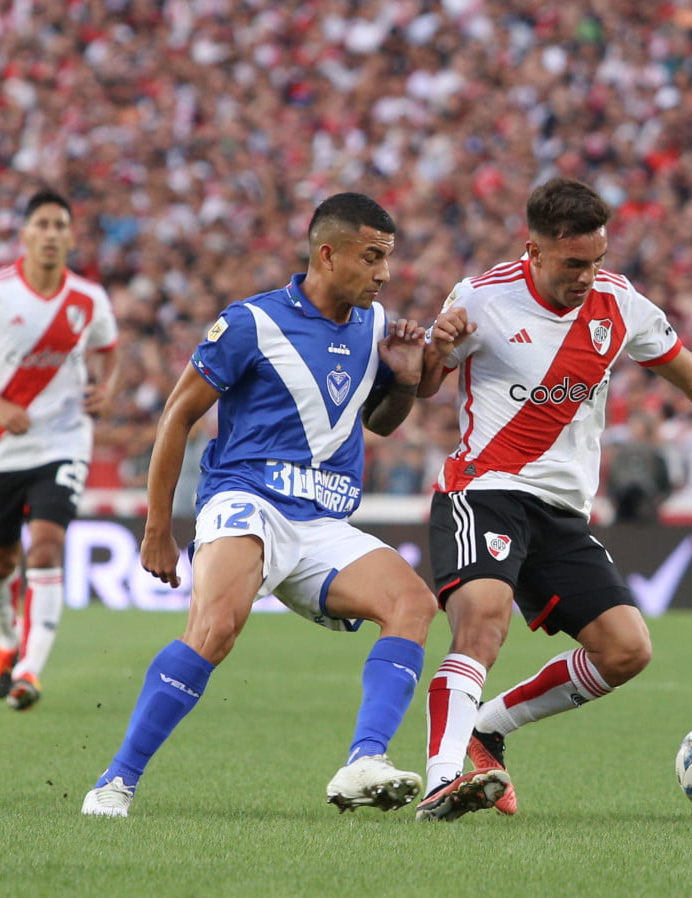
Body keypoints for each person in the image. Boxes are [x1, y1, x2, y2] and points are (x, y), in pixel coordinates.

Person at [413, 177, 692, 821]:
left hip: (562, 511)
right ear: (534, 252)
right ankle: (440, 779)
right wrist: (434, 347)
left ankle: (488, 731)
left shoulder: (619, 304)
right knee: (484, 619)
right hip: (484, 492)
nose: (588, 275)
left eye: (597, 260)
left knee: (626, 650)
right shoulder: (481, 299)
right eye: (574, 264)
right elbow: (428, 384)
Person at [81, 192, 438, 818]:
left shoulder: (377, 327)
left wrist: (406, 380)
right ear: (327, 254)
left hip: (324, 520)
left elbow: (379, 423)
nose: (384, 273)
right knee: (216, 629)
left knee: (413, 602)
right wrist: (157, 527)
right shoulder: (252, 323)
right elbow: (177, 415)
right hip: (247, 501)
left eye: (389, 258)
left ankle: (365, 761)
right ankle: (116, 782)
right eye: (372, 257)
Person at [0, 189, 120, 711]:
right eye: (40, 224)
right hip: (1, 444)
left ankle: (29, 671)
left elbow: (111, 353)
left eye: (59, 225)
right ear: (25, 234)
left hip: (64, 440)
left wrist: (106, 390)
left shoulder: (89, 298)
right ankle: (5, 639)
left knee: (44, 546)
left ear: (69, 236)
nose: (50, 233)